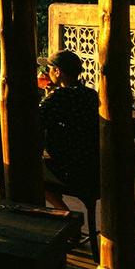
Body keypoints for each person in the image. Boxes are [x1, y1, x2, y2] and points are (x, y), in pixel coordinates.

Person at [38, 50, 98, 211]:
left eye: (49, 69)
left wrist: (48, 96)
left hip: (67, 169)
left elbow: (35, 121)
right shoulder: (91, 95)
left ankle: (64, 213)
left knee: (22, 168)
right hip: (93, 167)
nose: (47, 73)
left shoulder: (58, 97)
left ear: (57, 71)